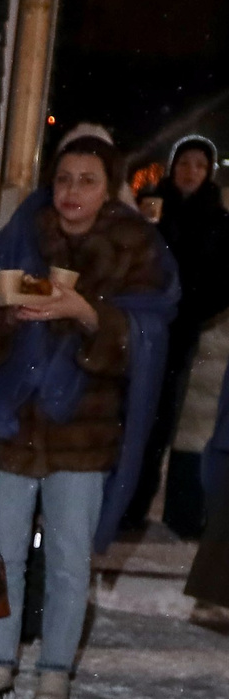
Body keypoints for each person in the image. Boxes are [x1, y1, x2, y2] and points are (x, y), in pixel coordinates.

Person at [0, 125, 177, 699]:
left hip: (84, 427)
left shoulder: (136, 247)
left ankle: (53, 674)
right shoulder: (23, 236)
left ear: (109, 190)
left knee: (69, 557)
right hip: (15, 422)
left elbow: (151, 338)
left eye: (87, 181)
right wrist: (3, 322)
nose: (71, 193)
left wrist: (87, 315)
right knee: (2, 552)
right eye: (62, 180)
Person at [129, 136, 229, 538]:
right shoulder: (150, 209)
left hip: (182, 332)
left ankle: (144, 506)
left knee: (160, 420)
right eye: (184, 163)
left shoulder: (218, 222)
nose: (190, 172)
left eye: (199, 166)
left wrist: (186, 310)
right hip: (139, 328)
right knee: (130, 416)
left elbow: (222, 282)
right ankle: (122, 503)